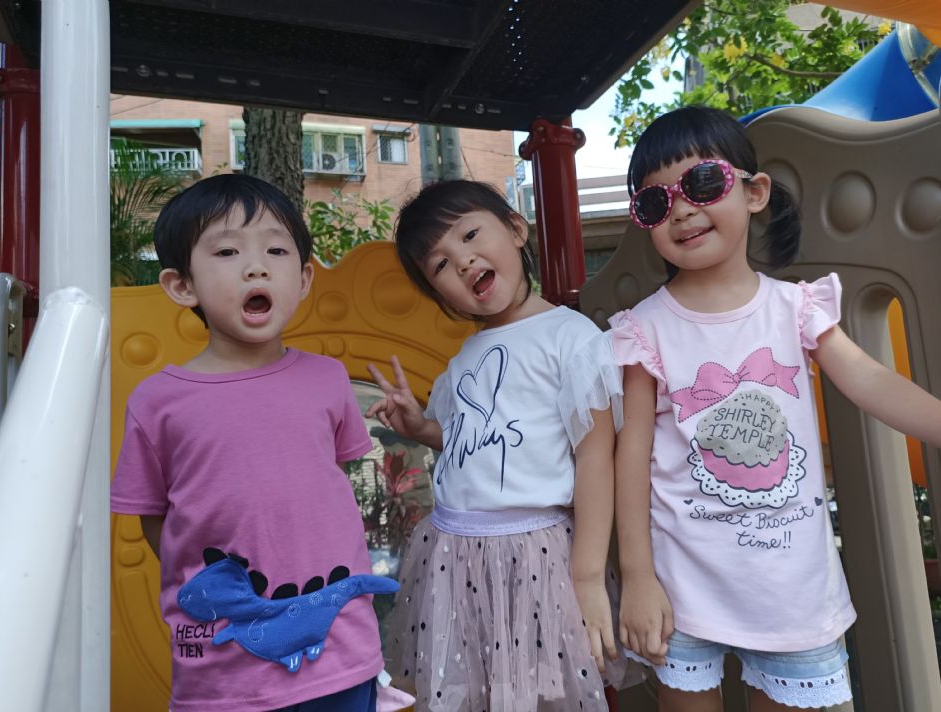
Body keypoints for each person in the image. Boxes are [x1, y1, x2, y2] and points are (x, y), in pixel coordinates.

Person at [610, 106, 941, 712]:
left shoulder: (796, 308)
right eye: (656, 202)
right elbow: (629, 458)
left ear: (754, 192)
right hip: (680, 589)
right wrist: (636, 578)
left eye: (702, 183)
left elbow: (870, 381)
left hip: (791, 589)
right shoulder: (643, 330)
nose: (681, 209)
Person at [110, 174, 396, 712]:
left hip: (341, 653)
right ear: (182, 285)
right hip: (222, 667)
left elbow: (333, 484)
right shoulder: (158, 401)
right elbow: (155, 521)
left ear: (304, 278)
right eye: (227, 251)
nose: (257, 267)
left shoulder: (328, 379)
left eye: (276, 250)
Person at [365, 180, 640, 711]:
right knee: (476, 693)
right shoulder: (464, 359)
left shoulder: (570, 336)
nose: (463, 261)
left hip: (533, 555)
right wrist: (421, 429)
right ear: (439, 295)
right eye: (440, 264)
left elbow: (594, 457)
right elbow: (472, 439)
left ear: (516, 230)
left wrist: (586, 576)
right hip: (453, 555)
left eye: (470, 235)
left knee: (538, 695)